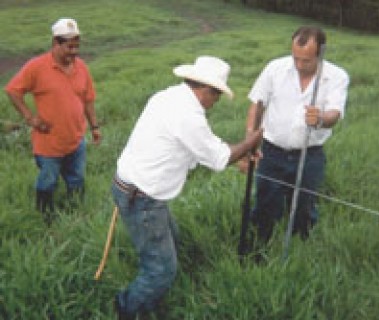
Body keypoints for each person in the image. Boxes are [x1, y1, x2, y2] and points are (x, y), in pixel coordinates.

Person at [112, 56, 263, 319]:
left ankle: (148, 298)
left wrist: (235, 153)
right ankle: (126, 309)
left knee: (173, 239)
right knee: (161, 270)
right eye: (216, 97)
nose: (215, 103)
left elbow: (203, 145)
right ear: (206, 90)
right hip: (143, 198)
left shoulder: (168, 97)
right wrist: (251, 142)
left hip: (133, 187)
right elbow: (218, 158)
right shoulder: (188, 115)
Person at [244, 26, 349, 243]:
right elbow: (257, 105)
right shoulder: (275, 68)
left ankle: (300, 246)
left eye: (306, 61)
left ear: (320, 53)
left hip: (309, 155)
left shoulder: (336, 76)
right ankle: (259, 247)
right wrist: (249, 142)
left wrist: (320, 118)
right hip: (271, 152)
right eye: (296, 58)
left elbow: (335, 114)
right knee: (265, 203)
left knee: (303, 206)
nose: (300, 65)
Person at [4, 18, 101, 225]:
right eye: (69, 47)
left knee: (77, 179)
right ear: (55, 44)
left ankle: (76, 213)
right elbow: (12, 90)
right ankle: (45, 218)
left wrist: (94, 127)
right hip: (49, 144)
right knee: (48, 182)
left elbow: (88, 99)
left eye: (77, 46)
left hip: (76, 140)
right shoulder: (37, 67)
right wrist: (30, 118)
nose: (74, 52)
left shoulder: (81, 67)